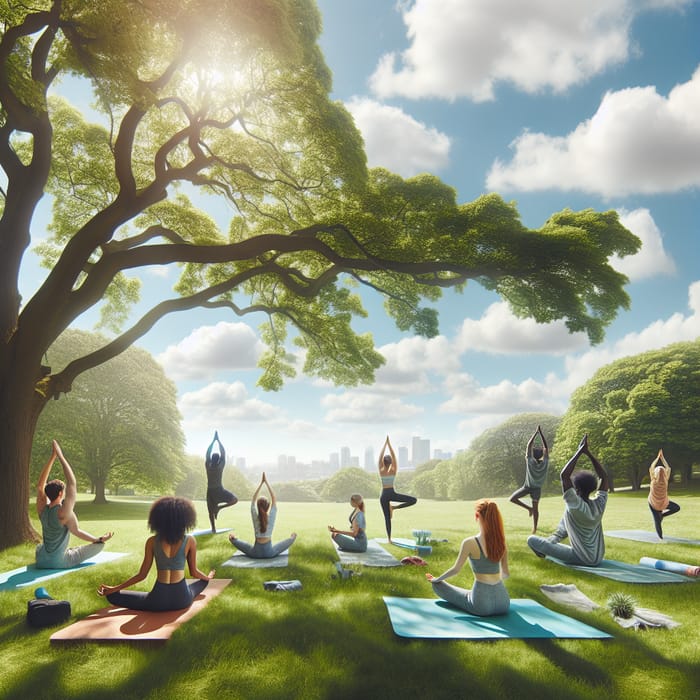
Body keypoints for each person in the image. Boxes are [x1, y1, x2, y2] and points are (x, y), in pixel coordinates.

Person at [97, 496, 214, 611]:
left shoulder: (152, 541)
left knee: (113, 595)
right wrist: (207, 578)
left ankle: (114, 593)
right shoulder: (190, 540)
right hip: (182, 600)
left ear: (158, 519)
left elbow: (142, 575)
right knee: (202, 583)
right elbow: (194, 572)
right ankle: (205, 580)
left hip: (157, 601)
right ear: (185, 519)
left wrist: (115, 588)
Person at [527, 434, 609, 566]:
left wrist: (579, 451)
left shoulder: (575, 504)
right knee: (562, 526)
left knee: (531, 540)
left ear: (576, 489)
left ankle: (543, 550)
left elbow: (564, 475)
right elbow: (604, 478)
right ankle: (551, 541)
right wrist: (587, 453)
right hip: (598, 557)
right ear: (593, 488)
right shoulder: (600, 504)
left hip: (580, 558)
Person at [35, 440, 113, 569]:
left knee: (40, 547)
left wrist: (52, 457)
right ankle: (71, 552)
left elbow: (40, 486)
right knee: (99, 545)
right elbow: (72, 482)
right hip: (58, 562)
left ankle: (66, 551)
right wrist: (60, 456)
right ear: (60, 493)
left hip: (41, 560)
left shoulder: (42, 509)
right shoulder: (64, 512)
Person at [425, 499, 510, 616]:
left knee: (439, 586)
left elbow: (456, 570)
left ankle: (437, 582)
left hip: (482, 604)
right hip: (503, 602)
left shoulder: (469, 542)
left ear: (477, 516)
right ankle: (478, 594)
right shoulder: (501, 542)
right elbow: (506, 574)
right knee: (467, 592)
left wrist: (437, 579)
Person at [228, 472, 296, 558]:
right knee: (286, 542)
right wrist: (266, 482)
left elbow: (253, 499)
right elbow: (273, 497)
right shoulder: (271, 516)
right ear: (268, 507)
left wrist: (261, 483)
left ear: (258, 506)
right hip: (269, 553)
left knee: (240, 544)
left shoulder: (255, 517)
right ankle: (292, 538)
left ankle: (233, 540)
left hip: (255, 553)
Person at [510, 425, 549, 533]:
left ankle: (533, 523)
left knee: (512, 498)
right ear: (542, 455)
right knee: (535, 509)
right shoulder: (545, 463)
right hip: (533, 488)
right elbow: (546, 448)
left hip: (529, 487)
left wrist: (535, 433)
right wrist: (541, 434)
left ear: (533, 454)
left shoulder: (530, 461)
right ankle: (532, 519)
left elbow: (528, 446)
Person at [378, 435, 417, 543]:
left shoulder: (381, 470)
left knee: (387, 518)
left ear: (383, 462)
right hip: (391, 493)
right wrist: (389, 444)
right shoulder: (393, 470)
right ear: (390, 463)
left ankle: (389, 539)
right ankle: (394, 508)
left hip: (384, 495)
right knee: (414, 500)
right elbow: (394, 456)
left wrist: (384, 444)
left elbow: (380, 457)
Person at [205, 431, 238, 533]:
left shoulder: (208, 465)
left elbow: (207, 453)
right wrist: (218, 441)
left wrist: (213, 441)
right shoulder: (220, 466)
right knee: (235, 500)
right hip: (219, 490)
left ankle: (213, 529)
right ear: (219, 459)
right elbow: (223, 453)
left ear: (211, 459)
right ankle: (220, 507)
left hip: (210, 491)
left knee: (210, 511)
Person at [647, 448, 680, 539]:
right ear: (664, 474)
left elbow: (651, 468)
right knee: (676, 508)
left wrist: (657, 458)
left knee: (657, 521)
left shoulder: (653, 479)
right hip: (659, 503)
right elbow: (668, 468)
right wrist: (662, 458)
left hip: (654, 503)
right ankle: (662, 515)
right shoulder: (666, 480)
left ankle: (660, 538)